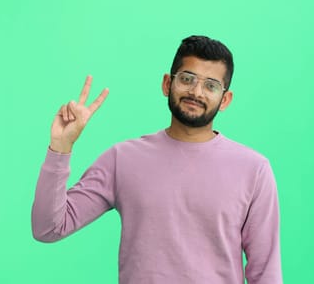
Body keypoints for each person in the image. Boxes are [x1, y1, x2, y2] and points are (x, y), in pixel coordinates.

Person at [31, 35, 283, 283]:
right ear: (167, 84)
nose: (196, 92)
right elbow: (48, 228)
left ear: (225, 99)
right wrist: (61, 147)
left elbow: (266, 274)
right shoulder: (123, 160)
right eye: (187, 79)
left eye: (211, 85)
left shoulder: (254, 170)